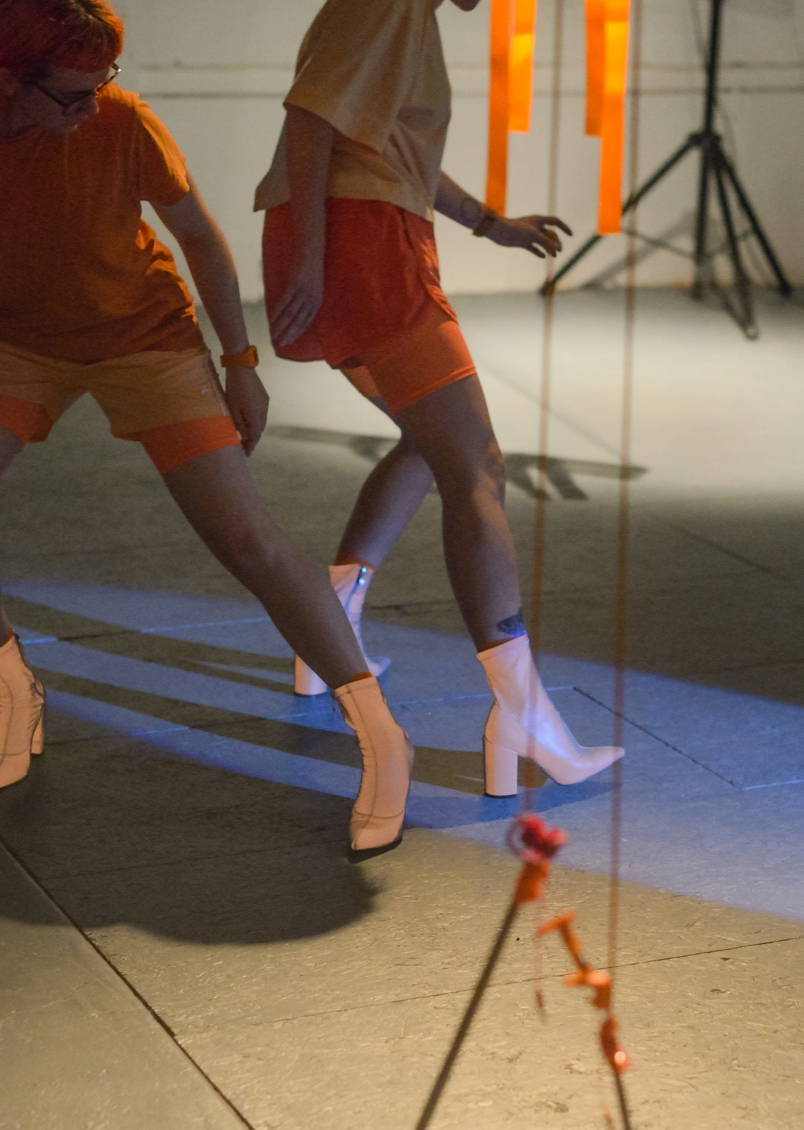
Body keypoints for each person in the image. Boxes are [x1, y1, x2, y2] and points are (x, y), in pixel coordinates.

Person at [0, 0, 412, 850]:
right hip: (15, 340)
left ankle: (379, 733)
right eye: (71, 95)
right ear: (3, 77)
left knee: (247, 537)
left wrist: (240, 361)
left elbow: (199, 236)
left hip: (144, 339)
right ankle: (16, 691)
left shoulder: (120, 120)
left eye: (100, 86)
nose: (91, 108)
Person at [257, 0, 622, 797]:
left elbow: (381, 143)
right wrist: (314, 260)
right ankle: (521, 715)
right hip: (365, 243)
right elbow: (309, 121)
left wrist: (485, 221)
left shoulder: (402, 13)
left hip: (365, 233)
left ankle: (331, 626)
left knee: (431, 439)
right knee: (476, 466)